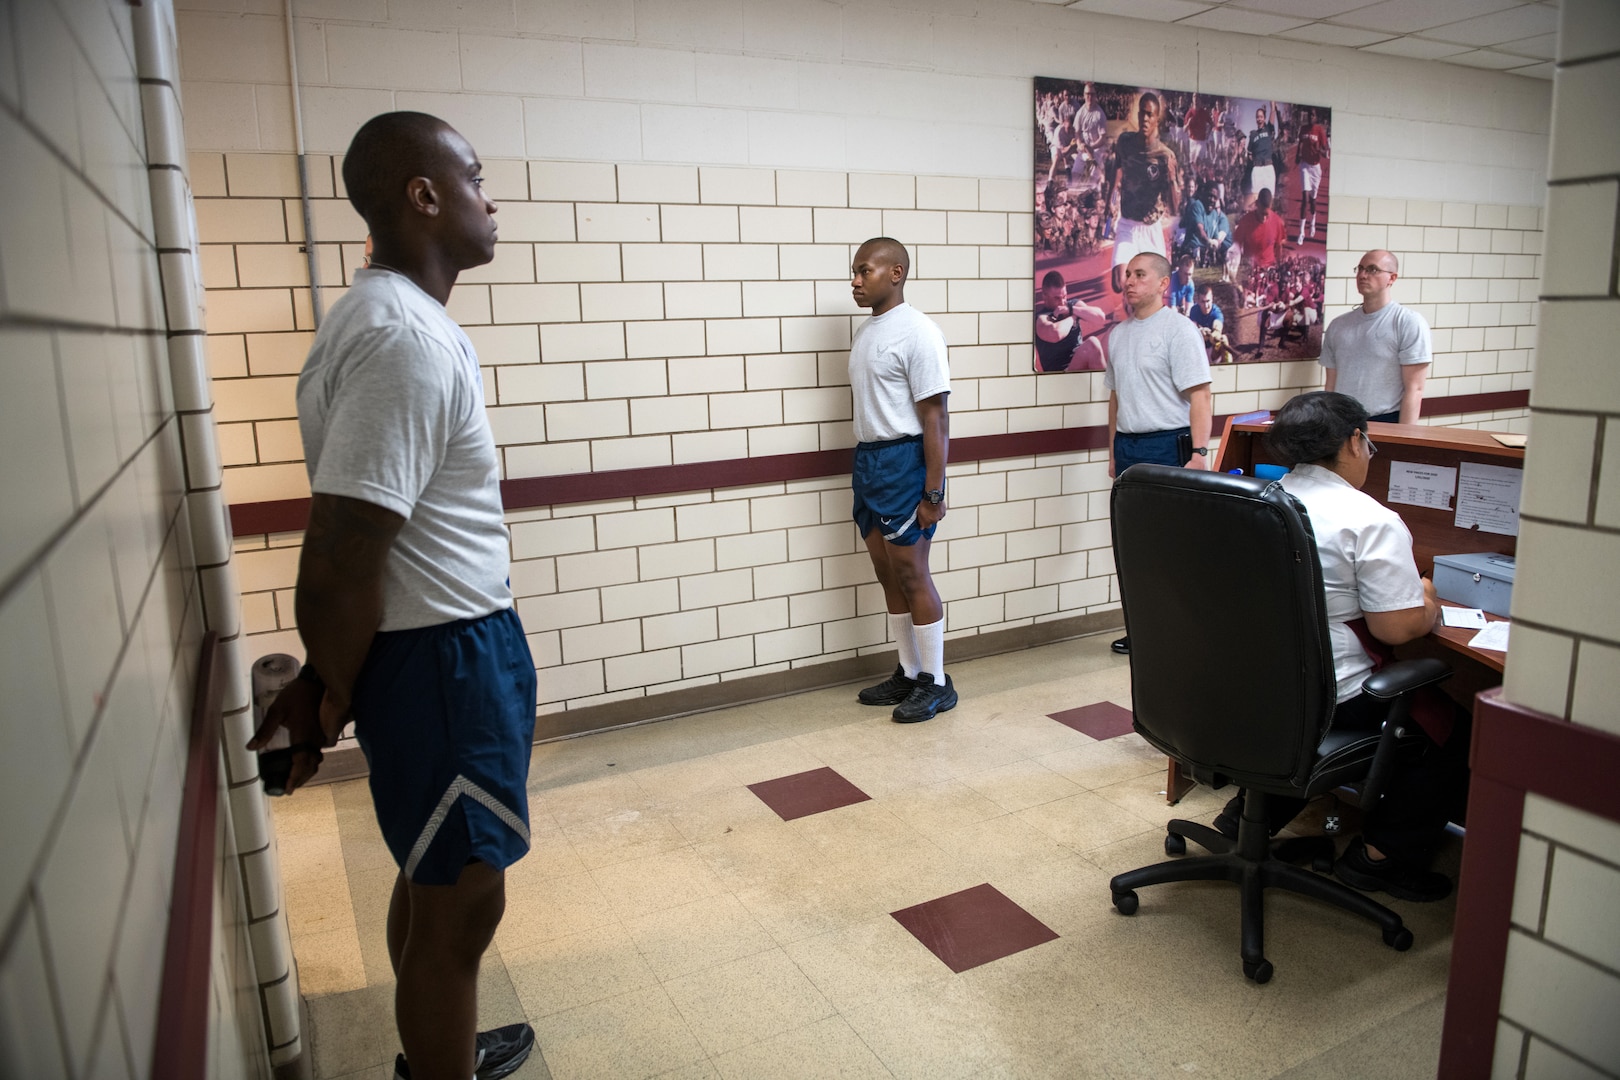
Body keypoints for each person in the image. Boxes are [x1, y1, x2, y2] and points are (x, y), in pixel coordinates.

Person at [249, 112, 536, 1080]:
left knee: (436, 881)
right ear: (423, 195)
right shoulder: (404, 338)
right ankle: (437, 1060)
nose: (490, 200)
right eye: (475, 177)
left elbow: (360, 543)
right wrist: (330, 690)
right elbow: (339, 556)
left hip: (447, 654)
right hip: (443, 664)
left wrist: (333, 687)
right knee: (462, 904)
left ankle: (435, 1046)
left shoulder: (387, 320)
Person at [1212, 391, 1468, 902]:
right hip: (1329, 697)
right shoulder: (1368, 519)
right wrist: (1430, 600)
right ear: (1355, 441)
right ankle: (1380, 860)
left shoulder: (1255, 500)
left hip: (1246, 685)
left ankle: (1246, 817)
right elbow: (1396, 630)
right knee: (1450, 731)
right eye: (1369, 443)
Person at [848, 238, 958, 723]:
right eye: (853, 272)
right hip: (868, 460)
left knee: (913, 573)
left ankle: (935, 682)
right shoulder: (868, 332)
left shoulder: (919, 332)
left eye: (864, 271)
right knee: (886, 572)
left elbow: (936, 419)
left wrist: (933, 492)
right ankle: (908, 672)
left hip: (903, 463)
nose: (855, 280)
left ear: (895, 273)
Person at [1105, 252, 1212, 654]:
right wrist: (1113, 449)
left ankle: (1183, 631)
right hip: (1130, 445)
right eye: (1127, 274)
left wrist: (1199, 453)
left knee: (1173, 545)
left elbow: (1200, 396)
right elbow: (1116, 398)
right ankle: (1146, 630)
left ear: (1163, 283)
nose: (1130, 281)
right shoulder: (1118, 334)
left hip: (1170, 444)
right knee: (1136, 545)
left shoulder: (1179, 331)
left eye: (1139, 274)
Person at [1320, 249, 1432, 424]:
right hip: (1342, 421)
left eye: (1372, 269)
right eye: (1360, 269)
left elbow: (1415, 389)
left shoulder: (1408, 322)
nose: (1363, 275)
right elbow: (1331, 386)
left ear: (1392, 278)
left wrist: (1405, 440)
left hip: (1386, 420)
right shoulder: (1338, 326)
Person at [1103, 91, 1183, 293]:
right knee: (1118, 283)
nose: (1145, 119)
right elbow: (1117, 170)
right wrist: (1108, 201)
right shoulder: (1125, 142)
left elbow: (1174, 207)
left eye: (1150, 115)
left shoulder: (1165, 156)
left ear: (1157, 119)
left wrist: (1172, 179)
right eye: (1142, 114)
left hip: (1151, 229)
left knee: (1156, 290)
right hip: (1128, 224)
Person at [1295, 107, 1329, 244]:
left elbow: (1325, 151)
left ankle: (1312, 222)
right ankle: (1301, 232)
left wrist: (1319, 150)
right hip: (1305, 166)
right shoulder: (1303, 130)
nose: (1310, 117)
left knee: (1313, 201)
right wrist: (1297, 155)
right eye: (1309, 115)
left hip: (1315, 168)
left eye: (1313, 115)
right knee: (1305, 198)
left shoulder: (1319, 130)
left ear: (1316, 117)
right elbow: (1300, 145)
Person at [1235, 187, 1285, 276]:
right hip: (1249, 269)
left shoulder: (1277, 222)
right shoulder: (1245, 221)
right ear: (1257, 204)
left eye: (1267, 214)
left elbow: (1279, 246)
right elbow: (1236, 244)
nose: (1264, 218)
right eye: (1262, 213)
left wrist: (1278, 265)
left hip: (1269, 269)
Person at [1188, 285, 1234, 364]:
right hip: (1198, 351)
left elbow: (1218, 325)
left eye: (1208, 301)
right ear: (1198, 300)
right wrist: (1200, 331)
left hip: (1213, 352)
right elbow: (1193, 326)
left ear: (1212, 299)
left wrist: (1216, 333)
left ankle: (1228, 367)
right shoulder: (1194, 310)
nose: (1206, 306)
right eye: (1203, 301)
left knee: (1223, 339)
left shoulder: (1216, 312)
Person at [1247, 101, 1279, 201]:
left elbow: (1272, 112)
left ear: (1264, 118)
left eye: (1261, 116)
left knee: (1269, 199)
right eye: (1257, 117)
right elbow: (1249, 153)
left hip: (1268, 168)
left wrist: (1272, 105)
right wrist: (1255, 161)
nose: (1259, 119)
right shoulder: (1253, 135)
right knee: (1255, 199)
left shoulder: (1268, 129)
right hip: (1257, 169)